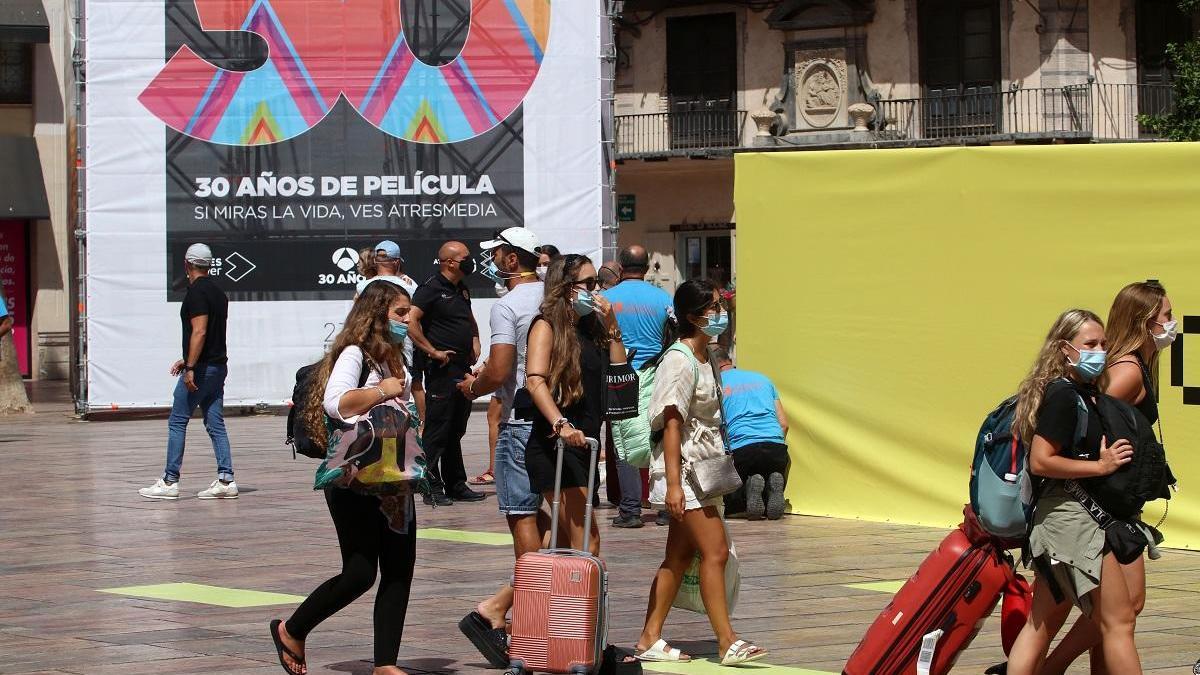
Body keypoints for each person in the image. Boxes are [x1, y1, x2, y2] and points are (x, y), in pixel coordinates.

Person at [270, 281, 417, 675]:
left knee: (400, 569)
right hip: (353, 477)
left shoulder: (395, 358)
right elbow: (336, 403)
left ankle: (386, 664)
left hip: (395, 476)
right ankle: (292, 629)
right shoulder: (356, 354)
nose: (408, 320)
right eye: (400, 313)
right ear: (377, 315)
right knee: (360, 573)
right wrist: (382, 393)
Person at [1006, 309, 1154, 675]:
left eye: (1103, 344)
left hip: (1066, 520)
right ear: (1063, 349)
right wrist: (1101, 466)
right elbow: (1041, 461)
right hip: (1069, 520)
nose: (1100, 352)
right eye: (1090, 344)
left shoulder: (1079, 393)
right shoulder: (1062, 395)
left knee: (1042, 625)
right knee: (1119, 622)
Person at [1041, 283, 1174, 675]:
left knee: (1120, 611)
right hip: (1098, 508)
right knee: (1118, 612)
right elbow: (1089, 419)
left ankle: (1049, 667)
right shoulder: (1128, 371)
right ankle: (1049, 668)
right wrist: (1101, 468)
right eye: (1165, 316)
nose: (1172, 324)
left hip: (1109, 506)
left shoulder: (1137, 366)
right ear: (1144, 321)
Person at [634, 279, 766, 666]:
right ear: (692, 316)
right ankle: (727, 639)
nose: (719, 313)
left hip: (705, 468)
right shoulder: (679, 359)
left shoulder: (706, 353)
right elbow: (671, 422)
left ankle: (648, 637)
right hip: (686, 471)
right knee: (716, 551)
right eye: (711, 307)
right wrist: (673, 485)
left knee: (678, 556)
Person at [454, 227, 550, 667]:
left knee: (524, 523)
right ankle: (509, 609)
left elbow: (501, 369)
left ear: (513, 259)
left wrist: (473, 385)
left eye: (496, 254)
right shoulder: (555, 298)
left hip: (520, 421)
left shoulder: (509, 304)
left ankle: (517, 619)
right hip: (557, 419)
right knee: (560, 525)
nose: (492, 261)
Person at [524, 254, 626, 554]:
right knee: (588, 543)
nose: (597, 291)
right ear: (567, 287)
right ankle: (580, 602)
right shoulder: (546, 326)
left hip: (586, 444)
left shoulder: (591, 329)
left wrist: (611, 323)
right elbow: (534, 380)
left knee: (565, 541)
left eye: (598, 283)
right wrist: (561, 423)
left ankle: (502, 602)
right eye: (590, 283)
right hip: (556, 444)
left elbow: (619, 374)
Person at [139, 243, 236, 500]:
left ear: (187, 264)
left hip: (202, 368)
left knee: (178, 420)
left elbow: (201, 330)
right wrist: (186, 359)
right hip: (218, 366)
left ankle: (170, 481)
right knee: (215, 422)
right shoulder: (218, 292)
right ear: (208, 264)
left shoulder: (196, 293)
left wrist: (190, 367)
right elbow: (210, 334)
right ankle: (226, 480)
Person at [603, 245, 674, 528]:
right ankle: (666, 506)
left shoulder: (605, 299)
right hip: (655, 374)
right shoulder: (663, 297)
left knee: (623, 442)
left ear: (620, 267)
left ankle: (630, 510)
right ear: (646, 268)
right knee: (659, 438)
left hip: (620, 377)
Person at [408, 241, 484, 505]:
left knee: (455, 429)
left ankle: (456, 484)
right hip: (441, 369)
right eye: (465, 257)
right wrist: (432, 351)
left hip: (463, 368)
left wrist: (475, 339)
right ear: (450, 262)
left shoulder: (461, 287)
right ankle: (429, 485)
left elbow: (469, 319)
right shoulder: (430, 289)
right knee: (438, 429)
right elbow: (411, 321)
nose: (470, 260)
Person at [711, 347, 791, 521]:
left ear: (713, 366)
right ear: (729, 361)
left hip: (742, 450)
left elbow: (714, 426)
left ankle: (745, 497)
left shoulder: (715, 385)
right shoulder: (764, 379)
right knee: (770, 470)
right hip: (775, 448)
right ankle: (771, 488)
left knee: (731, 503)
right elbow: (784, 424)